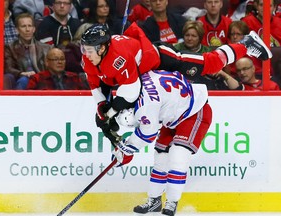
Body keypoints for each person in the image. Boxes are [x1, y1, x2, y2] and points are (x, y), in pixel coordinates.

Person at [80, 22, 272, 144]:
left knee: (208, 64)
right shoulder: (90, 58)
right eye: (84, 48)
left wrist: (110, 112)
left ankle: (246, 44)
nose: (86, 53)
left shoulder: (117, 58)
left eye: (90, 49)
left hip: (162, 59)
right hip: (146, 71)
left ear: (103, 47)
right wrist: (101, 107)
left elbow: (130, 92)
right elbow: (96, 84)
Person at [111, 69, 212, 216]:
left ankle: (172, 202)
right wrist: (125, 148)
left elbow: (147, 134)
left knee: (178, 155)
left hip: (194, 110)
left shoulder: (145, 107)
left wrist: (126, 149)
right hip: (173, 113)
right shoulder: (135, 84)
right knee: (161, 157)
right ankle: (154, 201)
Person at [174, 20, 242, 90]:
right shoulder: (175, 49)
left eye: (193, 36)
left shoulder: (208, 52)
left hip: (204, 85)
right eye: (187, 35)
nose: (189, 39)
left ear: (200, 38)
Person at [5, 13, 52, 89]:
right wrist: (22, 73)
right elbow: (9, 68)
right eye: (23, 26)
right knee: (24, 80)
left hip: (41, 79)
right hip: (22, 79)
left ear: (34, 29)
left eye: (30, 26)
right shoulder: (9, 47)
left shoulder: (46, 48)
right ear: (17, 30)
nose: (27, 30)